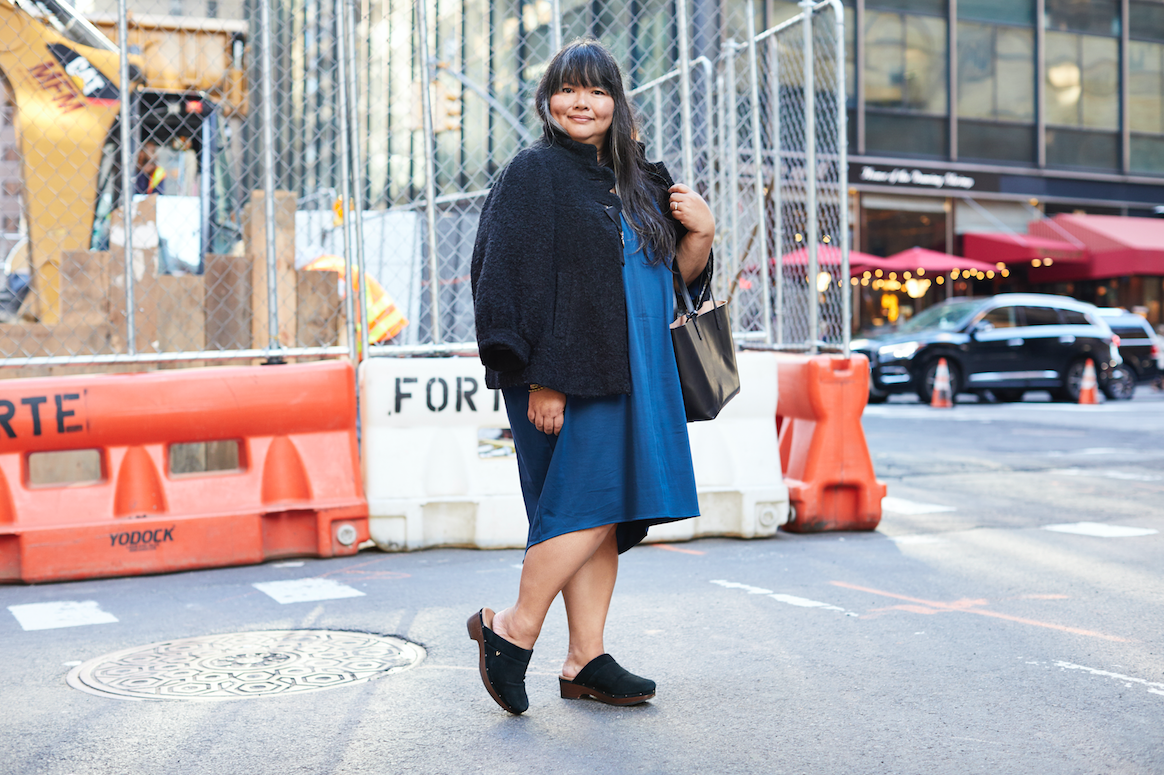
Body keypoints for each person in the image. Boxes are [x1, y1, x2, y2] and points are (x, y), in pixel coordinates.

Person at [468, 38, 715, 715]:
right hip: (566, 374)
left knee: (605, 512)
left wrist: (700, 237)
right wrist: (541, 376)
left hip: (640, 369)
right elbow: (503, 278)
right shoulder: (534, 172)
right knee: (581, 503)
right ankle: (512, 627)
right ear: (549, 100)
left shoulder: (644, 179)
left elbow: (669, 286)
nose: (583, 102)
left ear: (617, 102)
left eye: (598, 90)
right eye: (569, 89)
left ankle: (585, 657)